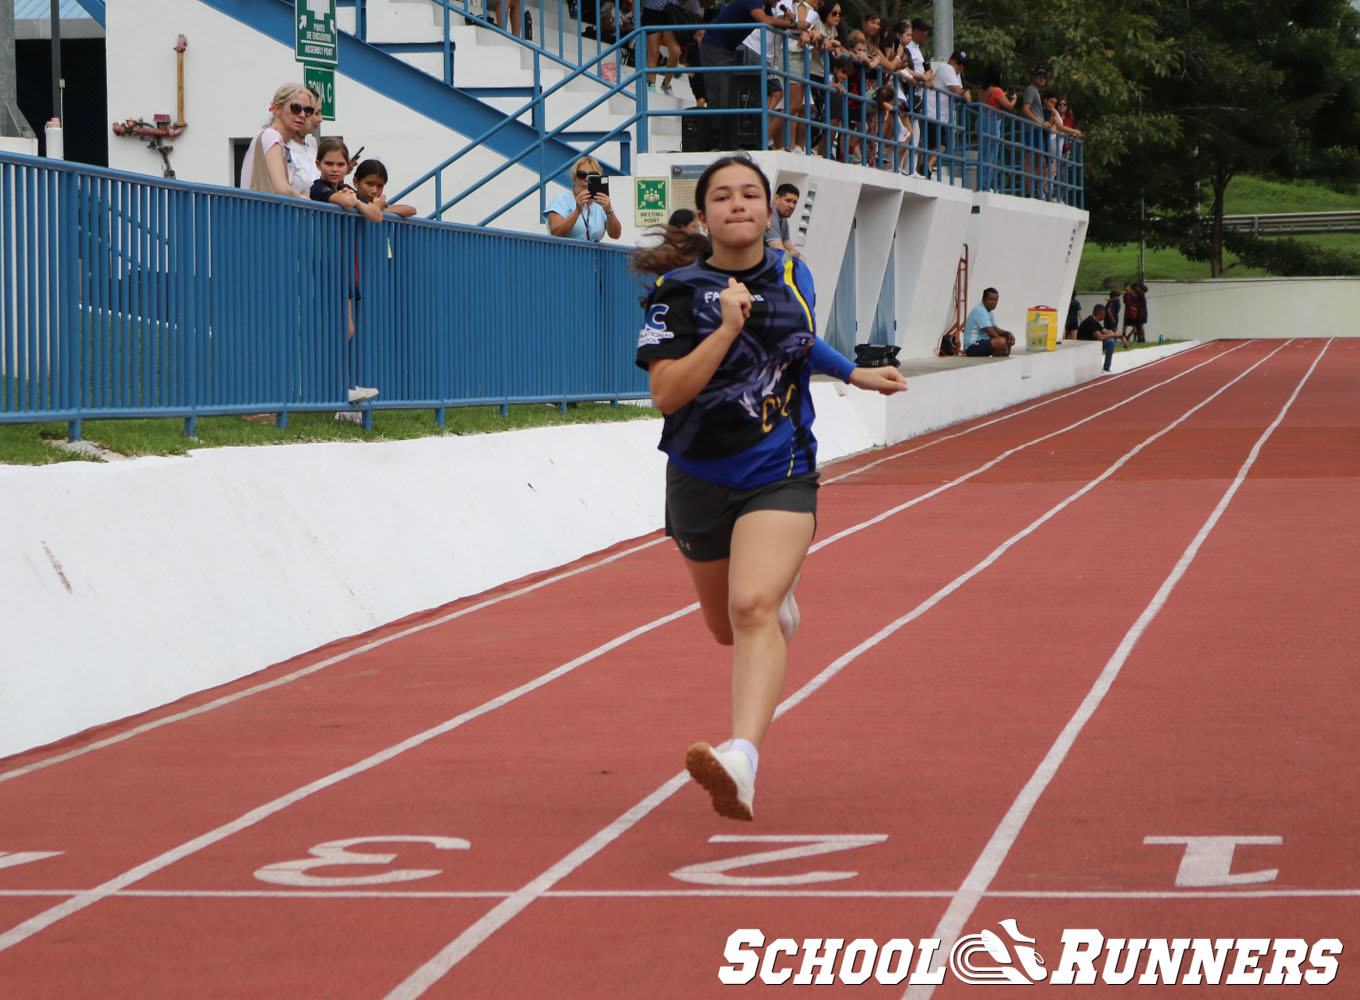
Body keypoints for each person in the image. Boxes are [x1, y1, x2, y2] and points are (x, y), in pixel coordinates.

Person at [632, 154, 908, 821]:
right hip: (698, 474)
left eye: (750, 194)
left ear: (768, 208)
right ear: (703, 216)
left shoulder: (792, 271)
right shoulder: (677, 291)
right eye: (722, 196)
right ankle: (775, 610)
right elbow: (667, 396)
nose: (738, 204)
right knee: (727, 627)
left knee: (751, 606)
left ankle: (741, 761)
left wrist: (852, 372)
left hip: (779, 467)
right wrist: (727, 327)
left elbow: (798, 338)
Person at [698, 0, 793, 111]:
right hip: (716, 46)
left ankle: (723, 126)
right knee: (719, 94)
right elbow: (765, 20)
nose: (778, 1)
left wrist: (786, 21)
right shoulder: (754, 1)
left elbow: (774, 23)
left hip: (728, 49)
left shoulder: (763, 6)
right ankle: (714, 126)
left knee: (728, 95)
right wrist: (794, 24)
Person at [239, 82, 315, 199]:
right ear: (277, 109)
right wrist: (306, 198)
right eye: (296, 108)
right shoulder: (272, 136)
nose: (302, 115)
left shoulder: (274, 139)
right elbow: (282, 189)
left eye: (307, 110)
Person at [544, 155, 622, 241]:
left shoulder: (600, 203)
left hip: (592, 254)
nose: (586, 179)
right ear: (574, 179)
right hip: (565, 253)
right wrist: (578, 210)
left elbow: (615, 235)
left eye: (592, 175)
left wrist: (609, 211)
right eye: (581, 175)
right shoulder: (562, 200)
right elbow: (556, 234)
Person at [352, 160, 418, 218]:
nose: (375, 191)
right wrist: (377, 209)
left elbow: (412, 210)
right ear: (356, 182)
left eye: (380, 186)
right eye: (369, 184)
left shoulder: (378, 205)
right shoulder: (351, 198)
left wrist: (380, 209)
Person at [1020, 67, 1048, 198]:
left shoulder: (1035, 91)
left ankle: (1035, 189)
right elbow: (1025, 109)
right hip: (1032, 129)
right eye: (1039, 76)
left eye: (1044, 76)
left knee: (1039, 162)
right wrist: (1038, 122)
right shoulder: (1031, 89)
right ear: (1034, 77)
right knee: (1030, 161)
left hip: (1037, 129)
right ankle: (1028, 192)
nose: (1042, 79)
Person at [962, 287, 1015, 357]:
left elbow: (995, 329)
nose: (993, 302)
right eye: (990, 299)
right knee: (1001, 341)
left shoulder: (989, 312)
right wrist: (1004, 344)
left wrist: (1008, 333)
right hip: (972, 347)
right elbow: (990, 332)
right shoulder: (980, 310)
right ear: (983, 300)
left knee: (1006, 337)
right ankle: (997, 361)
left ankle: (1001, 359)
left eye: (995, 300)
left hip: (982, 342)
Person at [1077, 303, 1125, 372]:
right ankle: (1106, 368)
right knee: (1110, 342)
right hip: (1085, 346)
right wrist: (1114, 334)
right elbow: (1100, 337)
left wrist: (1121, 336)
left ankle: (1106, 367)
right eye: (1105, 313)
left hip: (1092, 345)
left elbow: (1106, 331)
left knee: (1111, 339)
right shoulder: (1090, 321)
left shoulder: (1095, 321)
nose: (1105, 315)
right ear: (1101, 313)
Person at [764, 182, 802, 257]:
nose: (791, 206)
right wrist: (797, 263)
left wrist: (800, 258)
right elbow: (779, 251)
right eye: (788, 201)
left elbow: (790, 249)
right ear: (777, 198)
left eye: (794, 202)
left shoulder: (783, 220)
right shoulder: (769, 215)